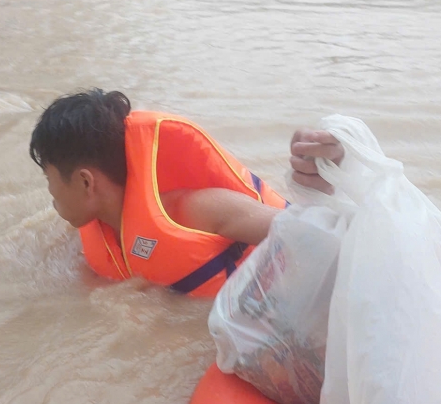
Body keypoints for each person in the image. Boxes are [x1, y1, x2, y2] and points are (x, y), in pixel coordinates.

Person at [28, 90, 345, 297]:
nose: (50, 192)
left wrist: (321, 182)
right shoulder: (92, 227)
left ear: (86, 183)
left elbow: (314, 236)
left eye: (49, 178)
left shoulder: (196, 211)